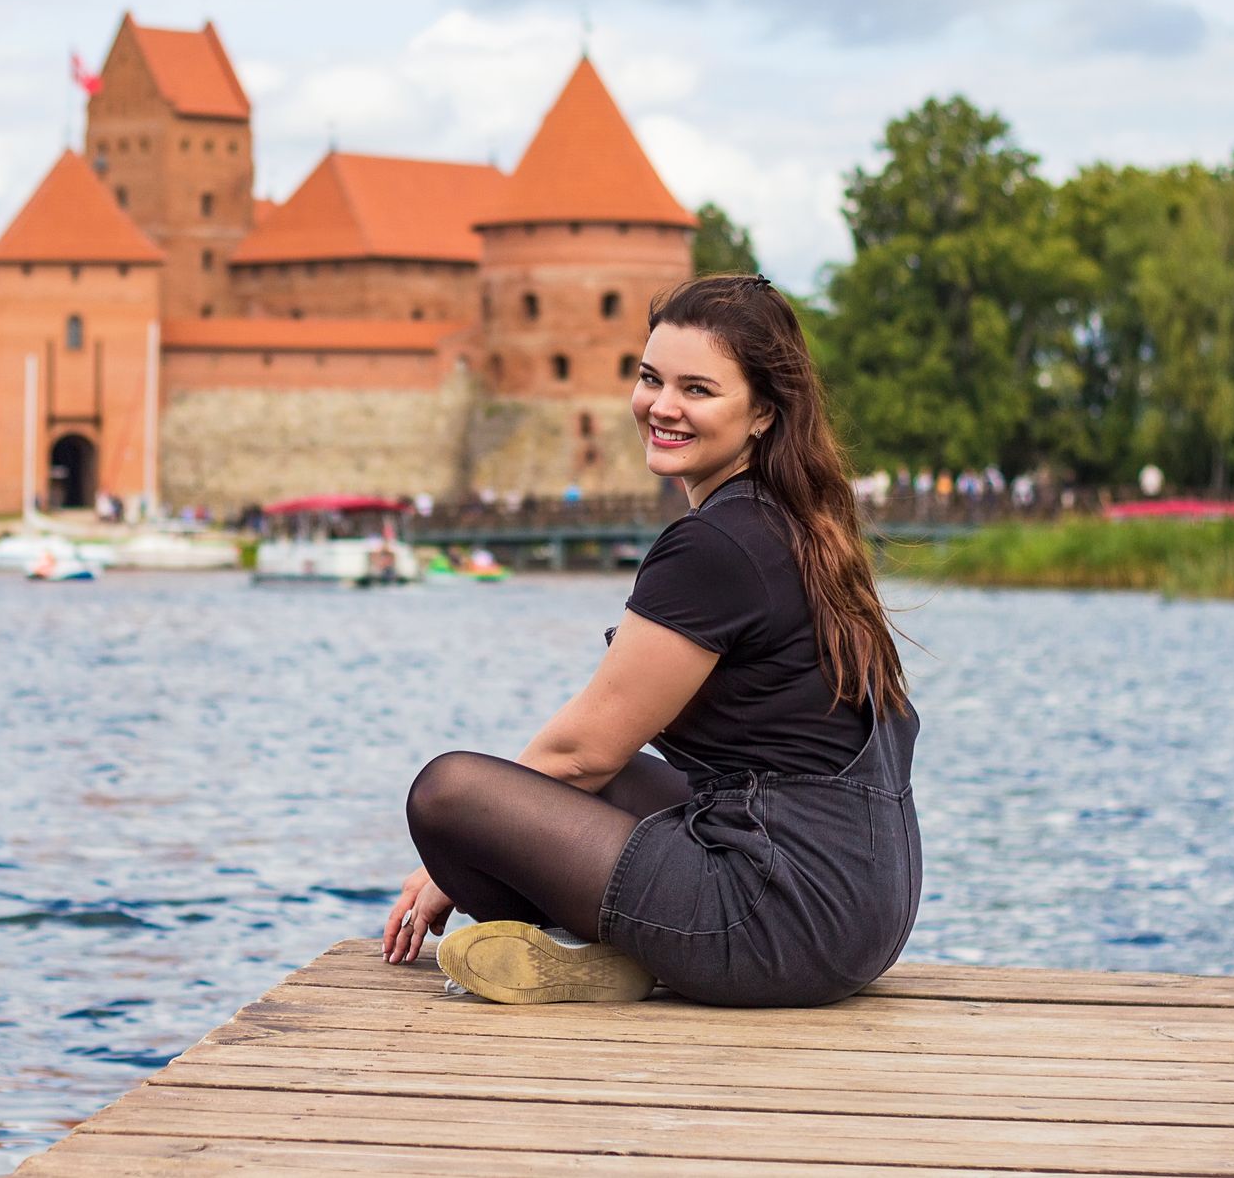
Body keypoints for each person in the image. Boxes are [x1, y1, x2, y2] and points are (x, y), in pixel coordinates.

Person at [383, 275, 921, 1009]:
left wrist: (458, 858)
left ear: (763, 411)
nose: (662, 406)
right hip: (862, 904)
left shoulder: (716, 545)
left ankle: (603, 943)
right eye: (649, 378)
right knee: (610, 781)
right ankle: (599, 956)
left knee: (450, 795)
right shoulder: (796, 519)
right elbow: (599, 759)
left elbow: (581, 751)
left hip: (781, 920)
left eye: (697, 389)